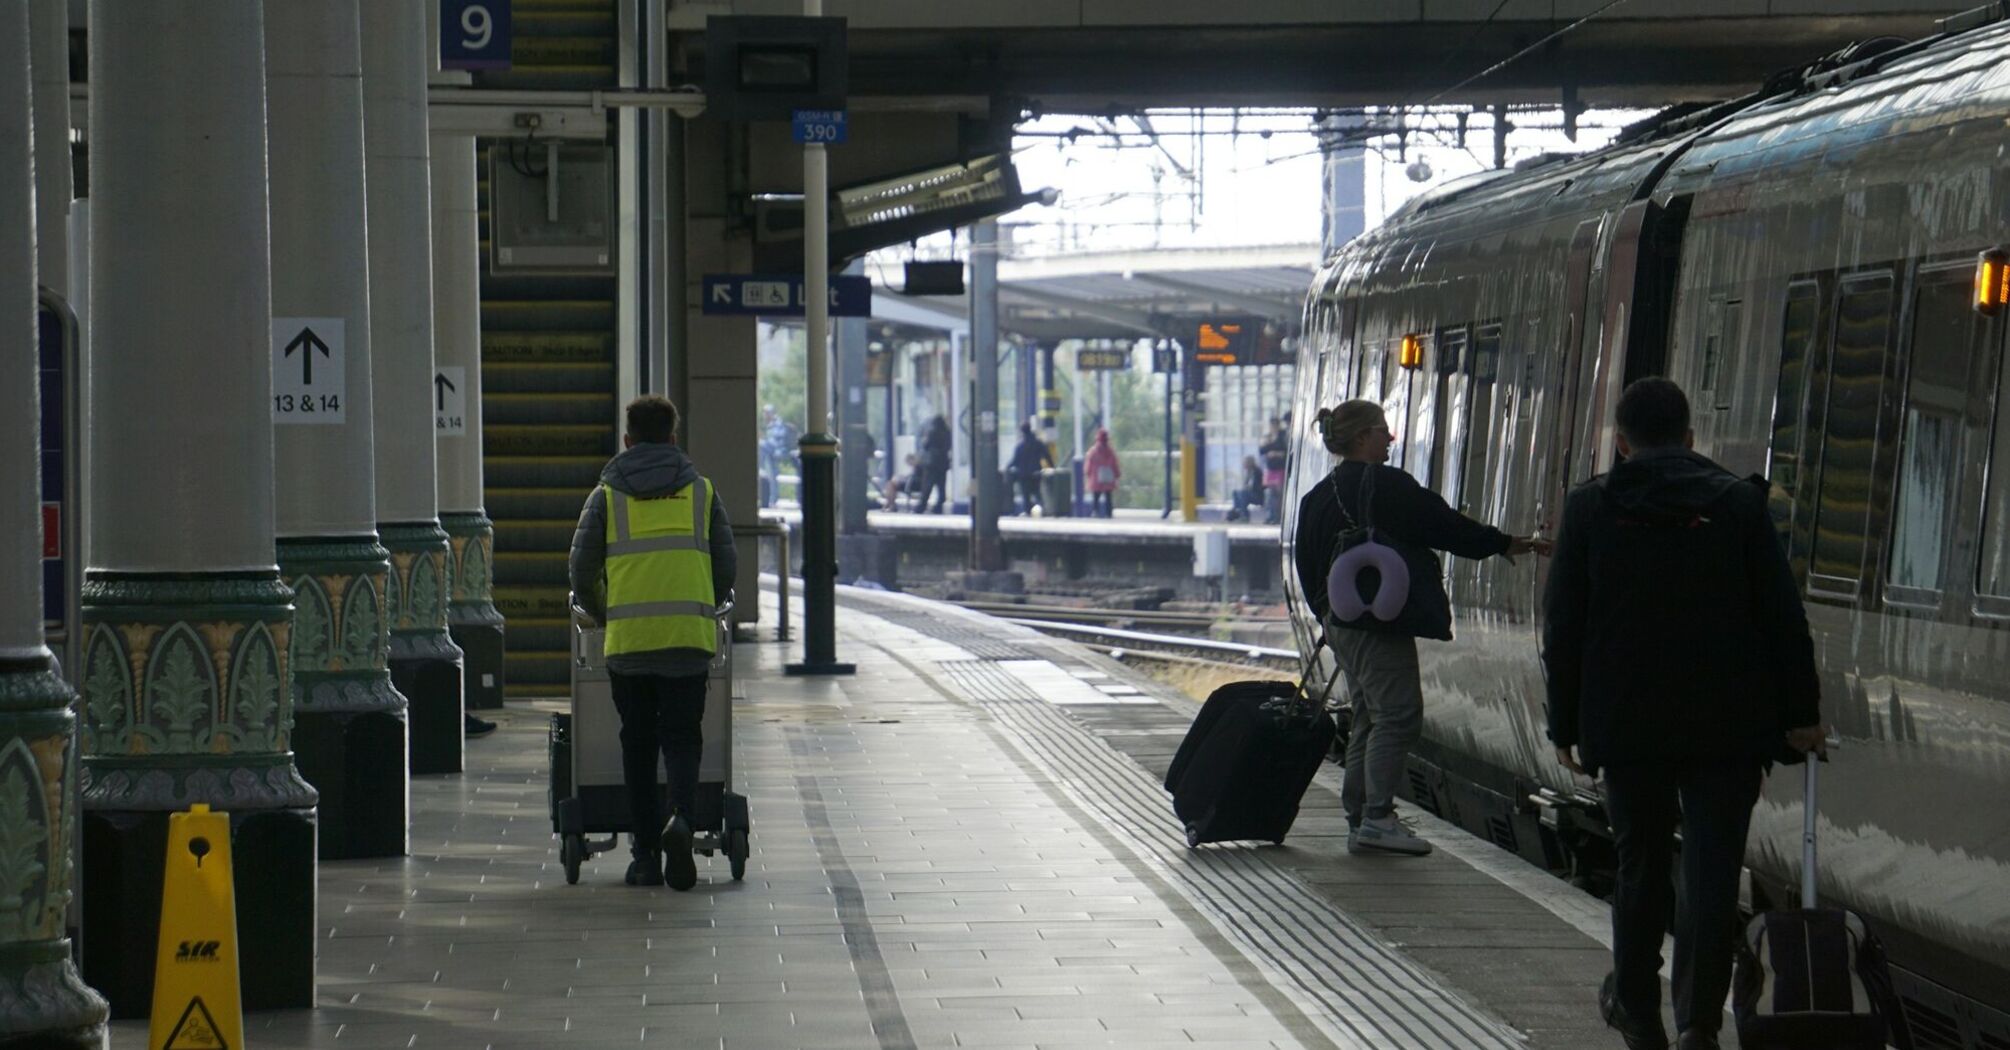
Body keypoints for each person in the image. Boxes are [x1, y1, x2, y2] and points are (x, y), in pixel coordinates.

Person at [1541, 377, 1825, 1050]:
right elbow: (1783, 620)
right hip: (1726, 726)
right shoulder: (1737, 503)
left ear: (1621, 441)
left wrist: (1566, 724)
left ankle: (1637, 1010)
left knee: (1638, 862)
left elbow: (1565, 627)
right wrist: (1800, 716)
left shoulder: (1590, 508)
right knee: (1712, 870)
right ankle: (1699, 1020)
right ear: (1691, 437)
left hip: (1628, 723)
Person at [1292, 399, 1544, 857]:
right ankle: (1377, 818)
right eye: (1383, 430)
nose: (1390, 438)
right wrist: (1504, 543)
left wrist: (1326, 618)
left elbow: (1305, 562)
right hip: (1375, 624)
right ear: (1364, 436)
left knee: (1370, 714)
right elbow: (1443, 525)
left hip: (1341, 623)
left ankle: (1362, 814)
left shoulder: (1318, 495)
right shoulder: (1386, 486)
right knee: (1399, 714)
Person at [569, 395, 737, 891]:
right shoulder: (703, 494)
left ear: (626, 440)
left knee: (638, 744)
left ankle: (644, 857)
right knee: (683, 737)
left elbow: (580, 570)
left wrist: (606, 612)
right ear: (672, 438)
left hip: (630, 643)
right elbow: (726, 565)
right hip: (687, 638)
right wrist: (702, 604)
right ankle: (681, 820)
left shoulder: (605, 497)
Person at [1008, 421, 1055, 516]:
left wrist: (1007, 467)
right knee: (1037, 492)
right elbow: (1046, 455)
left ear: (1022, 432)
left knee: (1026, 495)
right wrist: (1052, 467)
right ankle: (1043, 509)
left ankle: (1028, 512)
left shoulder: (1020, 446)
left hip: (1024, 475)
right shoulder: (1038, 443)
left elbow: (1015, 461)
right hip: (1036, 473)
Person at [1083, 428, 1121, 518]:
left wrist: (1087, 473)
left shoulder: (1093, 451)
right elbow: (1114, 464)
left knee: (1096, 496)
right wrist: (1117, 474)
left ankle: (1095, 511)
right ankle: (1109, 513)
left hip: (1096, 478)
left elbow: (1088, 466)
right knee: (1108, 496)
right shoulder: (1110, 451)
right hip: (1108, 477)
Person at [919, 415, 952, 513]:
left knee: (927, 486)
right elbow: (949, 446)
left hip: (931, 463)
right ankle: (939, 506)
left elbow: (926, 445)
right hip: (943, 463)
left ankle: (922, 506)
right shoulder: (947, 433)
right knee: (941, 486)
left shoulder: (932, 432)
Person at [1259, 421, 1289, 524]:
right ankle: (1270, 516)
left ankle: (1277, 516)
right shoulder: (1267, 437)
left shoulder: (1282, 437)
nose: (1273, 428)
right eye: (1271, 426)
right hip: (1270, 468)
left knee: (1279, 493)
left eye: (1274, 426)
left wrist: (1276, 453)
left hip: (1280, 468)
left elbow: (1286, 451)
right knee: (1270, 494)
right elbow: (1262, 450)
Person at [1228, 455, 1265, 522]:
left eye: (1244, 463)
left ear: (1249, 463)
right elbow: (1246, 485)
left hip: (1258, 496)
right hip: (1251, 493)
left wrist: (1246, 488)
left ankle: (1245, 516)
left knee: (1243, 494)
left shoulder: (1257, 472)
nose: (1243, 465)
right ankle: (1237, 511)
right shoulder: (1249, 472)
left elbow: (1256, 486)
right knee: (1235, 492)